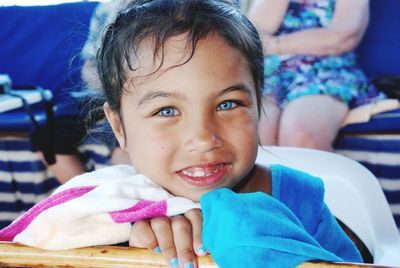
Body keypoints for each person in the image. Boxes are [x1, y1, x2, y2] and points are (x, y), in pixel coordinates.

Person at [0, 0, 363, 267]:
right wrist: (128, 244)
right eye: (167, 111)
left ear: (258, 103)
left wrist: (245, 224)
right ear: (119, 127)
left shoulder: (302, 199)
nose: (204, 138)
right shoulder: (102, 212)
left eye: (227, 104)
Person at [248, 0, 385, 150]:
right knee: (258, 138)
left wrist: (276, 44)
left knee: (300, 133)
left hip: (327, 72)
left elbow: (341, 38)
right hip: (273, 74)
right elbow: (255, 35)